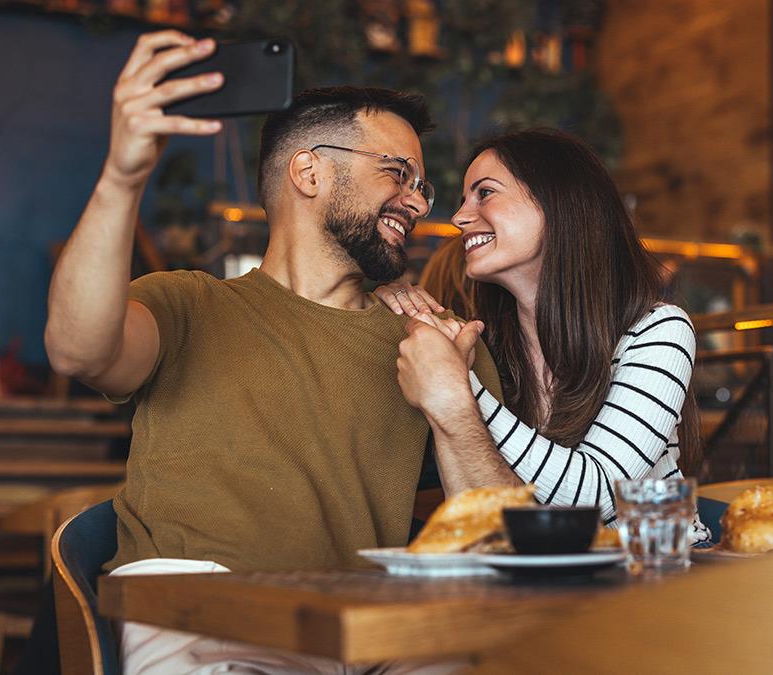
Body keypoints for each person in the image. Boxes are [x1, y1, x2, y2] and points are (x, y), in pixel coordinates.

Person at [43, 30, 500, 673]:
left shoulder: (437, 340)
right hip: (200, 612)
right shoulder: (188, 305)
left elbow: (495, 548)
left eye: (422, 184)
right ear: (308, 171)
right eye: (397, 174)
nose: (421, 201)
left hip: (358, 628)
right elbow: (76, 350)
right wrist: (124, 175)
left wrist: (452, 396)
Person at [379, 129, 710, 544]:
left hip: (667, 579)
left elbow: (597, 495)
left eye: (484, 193)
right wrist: (379, 302)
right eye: (464, 200)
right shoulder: (486, 342)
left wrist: (457, 388)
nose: (461, 217)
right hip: (552, 585)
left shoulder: (658, 328)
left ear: (557, 204)